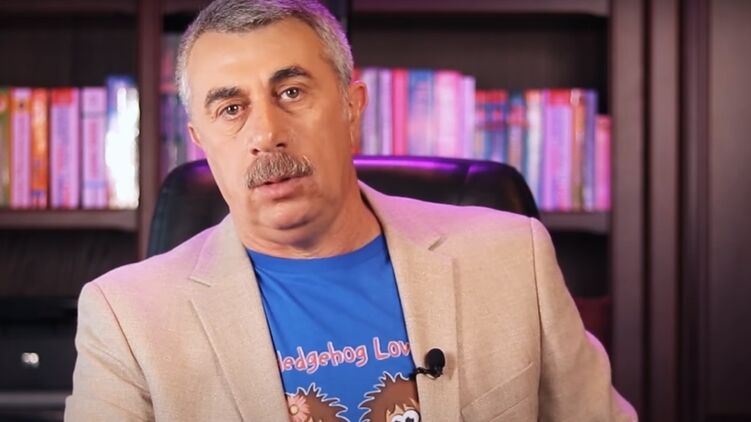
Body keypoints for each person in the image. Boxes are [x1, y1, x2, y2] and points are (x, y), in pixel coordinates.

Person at [64, 0, 637, 420]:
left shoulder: (512, 258)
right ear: (199, 140)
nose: (266, 133)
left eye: (291, 92)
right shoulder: (127, 318)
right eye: (231, 108)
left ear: (351, 107)